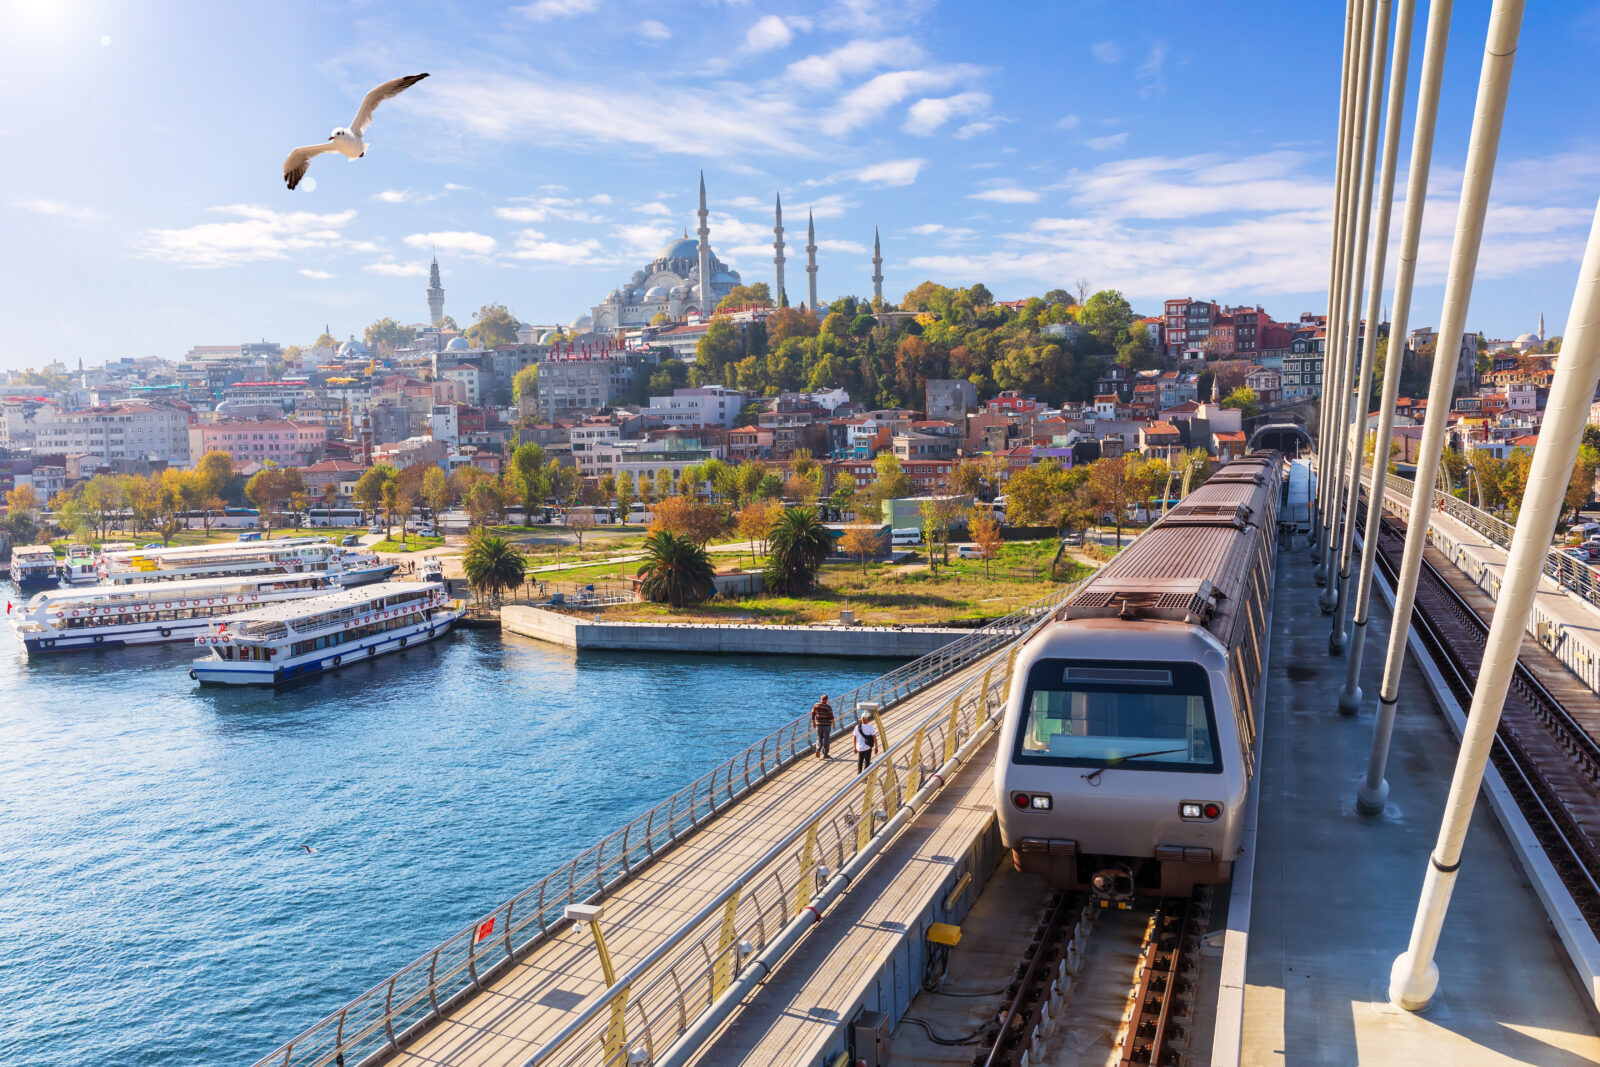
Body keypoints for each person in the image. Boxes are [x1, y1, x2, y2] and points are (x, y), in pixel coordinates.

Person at [810, 695, 835, 760]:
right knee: (826, 739)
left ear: (821, 699)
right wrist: (834, 725)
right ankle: (825, 754)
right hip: (827, 725)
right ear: (826, 700)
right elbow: (831, 717)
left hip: (818, 724)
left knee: (819, 737)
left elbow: (812, 714)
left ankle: (818, 750)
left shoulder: (816, 705)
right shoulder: (828, 707)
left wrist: (813, 722)